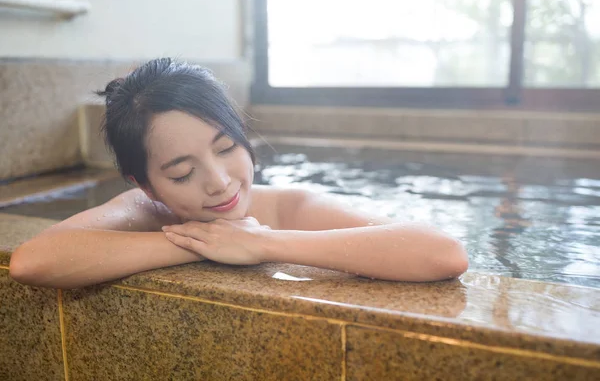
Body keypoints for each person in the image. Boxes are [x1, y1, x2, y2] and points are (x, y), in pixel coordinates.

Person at [9, 58, 468, 289]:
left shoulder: (293, 206)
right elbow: (33, 261)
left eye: (226, 148)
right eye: (182, 173)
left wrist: (263, 242)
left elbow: (442, 252)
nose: (220, 182)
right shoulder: (143, 210)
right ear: (146, 185)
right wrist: (200, 246)